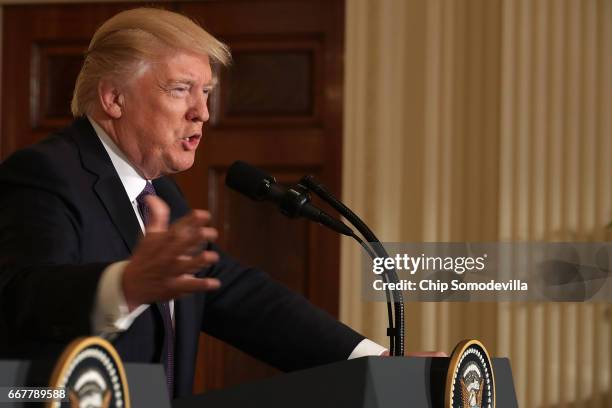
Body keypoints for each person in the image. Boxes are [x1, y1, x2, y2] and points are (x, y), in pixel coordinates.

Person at [0, 8, 386, 398]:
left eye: (206, 93)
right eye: (181, 89)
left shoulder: (162, 193)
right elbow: (23, 296)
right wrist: (124, 287)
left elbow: (237, 296)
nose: (202, 112)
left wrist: (373, 361)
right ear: (114, 98)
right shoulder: (46, 174)